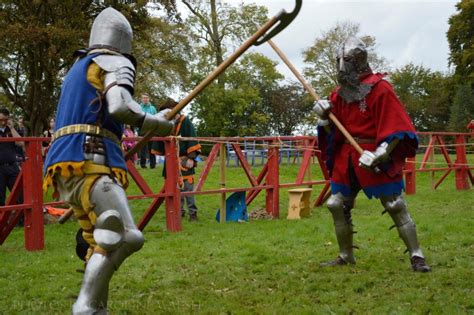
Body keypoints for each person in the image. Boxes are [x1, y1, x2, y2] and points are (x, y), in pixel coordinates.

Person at [42, 8, 174, 314]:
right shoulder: (115, 62)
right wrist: (157, 123)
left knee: (101, 242)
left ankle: (98, 308)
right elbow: (118, 108)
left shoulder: (77, 68)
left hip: (66, 167)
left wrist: (152, 118)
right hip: (92, 160)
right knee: (128, 236)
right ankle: (86, 306)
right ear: (124, 40)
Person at [314, 36, 430, 272]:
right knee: (336, 204)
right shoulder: (338, 94)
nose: (341, 66)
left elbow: (397, 128)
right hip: (346, 158)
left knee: (395, 204)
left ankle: (417, 255)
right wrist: (323, 117)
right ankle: (346, 256)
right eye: (338, 60)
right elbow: (334, 131)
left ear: (358, 60)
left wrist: (381, 153)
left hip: (375, 154)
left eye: (345, 60)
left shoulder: (380, 88)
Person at [152, 99, 201, 221]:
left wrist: (191, 158)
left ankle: (193, 214)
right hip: (171, 161)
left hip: (185, 160)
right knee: (173, 188)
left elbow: (191, 138)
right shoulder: (166, 124)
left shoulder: (185, 121)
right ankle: (179, 212)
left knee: (188, 189)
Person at [0, 108, 24, 206]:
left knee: (20, 194)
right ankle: (2, 220)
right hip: (0, 167)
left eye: (5, 120)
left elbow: (21, 143)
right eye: (1, 120)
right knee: (0, 197)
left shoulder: (11, 130)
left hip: (12, 166)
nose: (3, 122)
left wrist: (12, 128)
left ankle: (22, 219)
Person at [138, 93, 158, 169]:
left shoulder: (153, 108)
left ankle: (153, 165)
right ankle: (143, 165)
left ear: (149, 99)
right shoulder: (139, 107)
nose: (145, 99)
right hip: (142, 129)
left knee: (152, 148)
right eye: (144, 98)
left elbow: (156, 118)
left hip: (151, 130)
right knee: (143, 148)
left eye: (146, 98)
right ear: (142, 99)